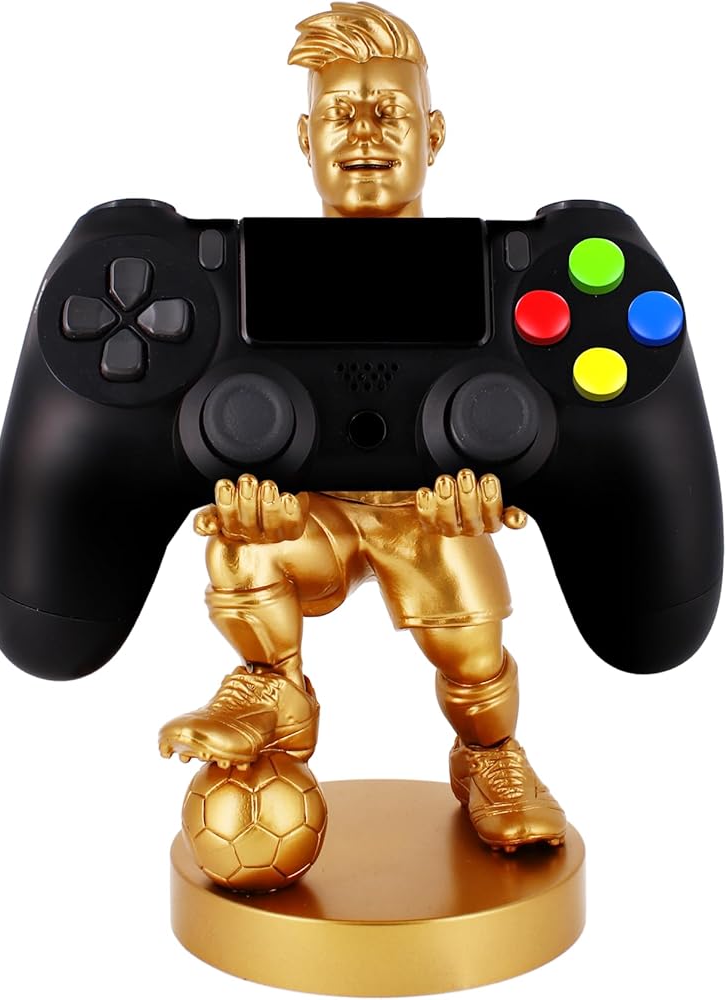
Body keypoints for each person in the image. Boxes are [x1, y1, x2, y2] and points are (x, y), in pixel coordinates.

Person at [159, 2, 565, 852]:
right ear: (304, 138)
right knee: (240, 538)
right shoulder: (250, 278)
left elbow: (517, 415)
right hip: (319, 519)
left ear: (435, 134)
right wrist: (248, 488)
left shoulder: (492, 274)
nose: (367, 133)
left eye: (391, 111)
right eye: (341, 113)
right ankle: (272, 684)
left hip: (428, 513)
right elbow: (231, 414)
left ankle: (490, 755)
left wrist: (498, 489)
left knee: (472, 647)